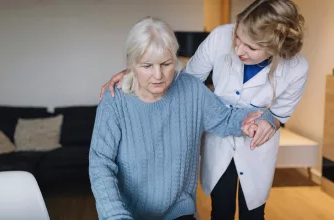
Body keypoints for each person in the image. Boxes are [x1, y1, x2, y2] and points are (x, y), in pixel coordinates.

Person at [99, 1, 308, 219]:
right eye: (238, 37)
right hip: (219, 138)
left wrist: (267, 121)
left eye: (251, 47)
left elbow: (278, 115)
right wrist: (137, 71)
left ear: (276, 47)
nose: (238, 50)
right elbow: (186, 82)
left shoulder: (297, 68)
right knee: (221, 209)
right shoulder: (220, 37)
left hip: (256, 144)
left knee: (254, 214)